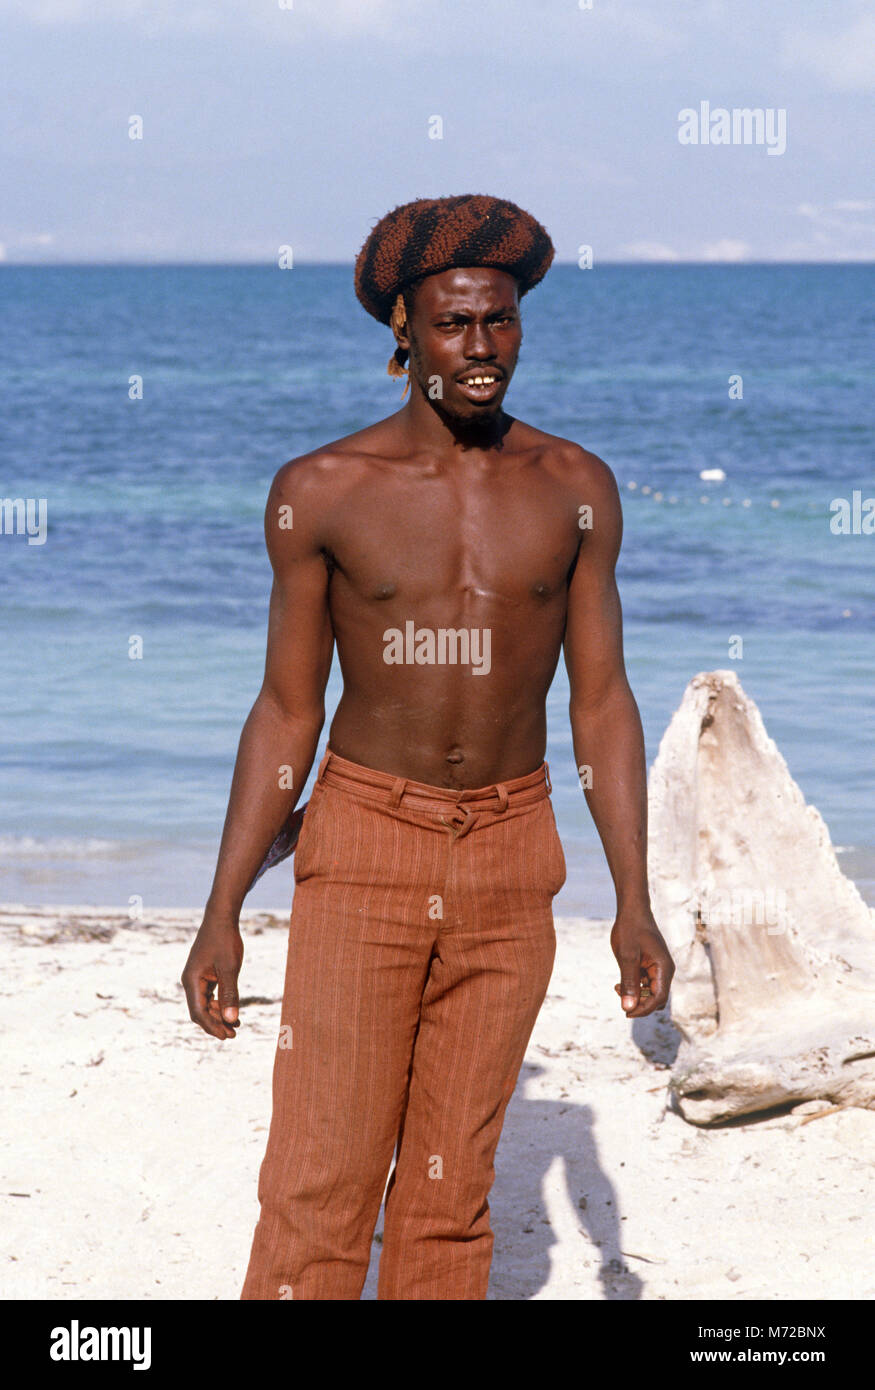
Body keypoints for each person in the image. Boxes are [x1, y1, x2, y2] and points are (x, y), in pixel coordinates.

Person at [181, 194, 674, 1300]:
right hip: (364, 841)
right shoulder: (321, 491)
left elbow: (601, 702)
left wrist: (632, 895)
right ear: (401, 331)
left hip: (511, 850)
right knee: (322, 1177)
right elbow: (284, 711)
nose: (481, 348)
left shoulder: (575, 491)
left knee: (451, 1197)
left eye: (499, 321)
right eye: (454, 324)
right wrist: (222, 911)